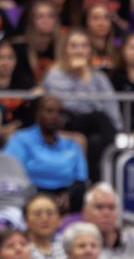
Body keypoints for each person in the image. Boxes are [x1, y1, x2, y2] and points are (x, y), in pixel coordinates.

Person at [42, 28, 123, 177]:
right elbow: (68, 105)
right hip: (65, 121)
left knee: (96, 142)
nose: (79, 51)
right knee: (99, 118)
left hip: (95, 128)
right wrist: (83, 80)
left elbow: (111, 107)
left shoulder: (99, 77)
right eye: (73, 46)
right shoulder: (55, 74)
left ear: (89, 50)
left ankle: (99, 183)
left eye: (84, 46)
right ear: (65, 49)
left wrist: (117, 127)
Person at [4, 95, 89, 198]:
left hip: (66, 196)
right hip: (31, 195)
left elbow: (81, 179)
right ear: (38, 114)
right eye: (49, 111)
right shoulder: (20, 139)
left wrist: (68, 196)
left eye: (60, 112)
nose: (55, 116)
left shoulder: (72, 144)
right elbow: (11, 173)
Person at [12, 0, 60, 83]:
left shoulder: (65, 46)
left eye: (50, 16)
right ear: (32, 20)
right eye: (40, 17)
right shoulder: (19, 48)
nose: (46, 21)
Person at [25, 193, 70, 259]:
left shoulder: (68, 244)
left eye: (50, 213)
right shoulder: (21, 249)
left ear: (59, 219)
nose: (44, 218)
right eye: (38, 214)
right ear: (26, 220)